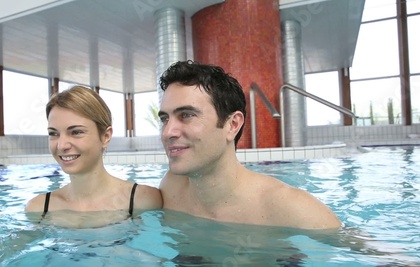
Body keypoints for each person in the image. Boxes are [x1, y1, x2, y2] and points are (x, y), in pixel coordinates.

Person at [157, 60, 341, 230]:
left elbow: (363, 253)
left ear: (232, 125)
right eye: (165, 118)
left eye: (187, 115)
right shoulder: (172, 188)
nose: (167, 132)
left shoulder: (291, 209)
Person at [25, 85, 162, 228]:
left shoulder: (143, 201)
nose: (61, 145)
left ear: (105, 136)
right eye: (53, 134)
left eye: (76, 132)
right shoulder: (39, 209)